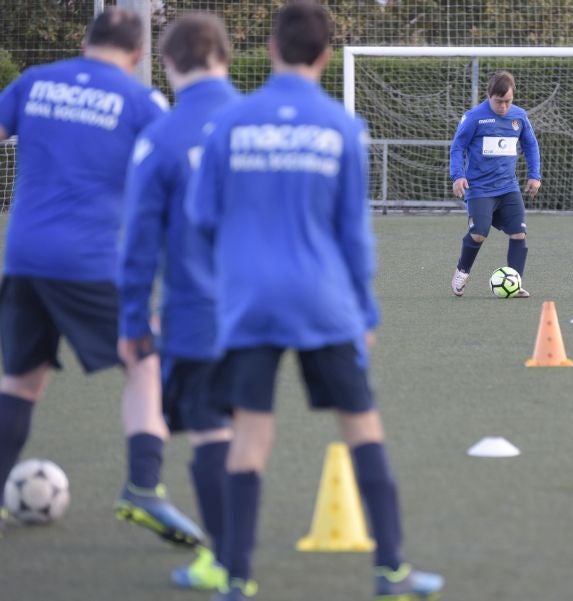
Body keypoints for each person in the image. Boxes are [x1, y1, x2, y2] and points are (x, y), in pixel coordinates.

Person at [186, 2, 443, 600]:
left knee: (250, 438)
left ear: (272, 48)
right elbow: (354, 237)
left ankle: (237, 576)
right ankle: (391, 571)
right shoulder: (341, 128)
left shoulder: (229, 122)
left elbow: (200, 216)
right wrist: (366, 313)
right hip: (323, 303)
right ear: (327, 56)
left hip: (249, 302)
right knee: (361, 428)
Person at [0, 7, 203, 547]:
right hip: (90, 260)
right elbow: (176, 167)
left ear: (85, 41)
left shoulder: (35, 82)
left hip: (23, 256)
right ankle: (142, 486)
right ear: (138, 54)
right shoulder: (141, 100)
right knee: (143, 363)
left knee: (22, 379)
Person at [118, 12, 240, 589]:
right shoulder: (259, 120)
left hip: (201, 311)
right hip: (274, 309)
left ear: (165, 65)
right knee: (250, 426)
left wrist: (132, 320)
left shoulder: (162, 135)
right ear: (225, 55)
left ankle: (228, 562)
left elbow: (137, 244)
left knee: (213, 430)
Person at [449, 70, 541, 297]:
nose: (504, 106)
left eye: (508, 101)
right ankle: (462, 270)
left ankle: (515, 283)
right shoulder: (474, 117)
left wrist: (534, 175)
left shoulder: (519, 117)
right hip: (479, 189)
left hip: (508, 188)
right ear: (489, 95)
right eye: (499, 102)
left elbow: (531, 145)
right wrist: (458, 176)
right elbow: (457, 147)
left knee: (519, 233)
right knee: (479, 233)